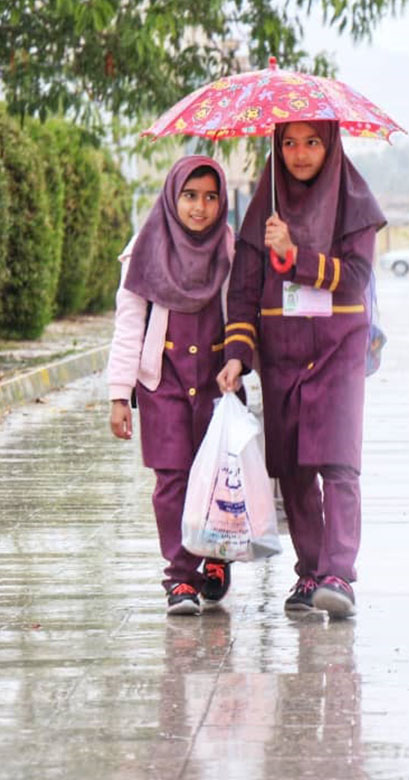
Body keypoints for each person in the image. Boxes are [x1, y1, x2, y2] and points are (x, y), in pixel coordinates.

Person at [217, 120, 385, 619]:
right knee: (290, 465)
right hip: (282, 349)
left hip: (338, 347)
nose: (300, 153)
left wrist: (296, 256)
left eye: (312, 142)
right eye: (289, 143)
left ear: (331, 143)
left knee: (337, 462)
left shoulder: (353, 200)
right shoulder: (263, 209)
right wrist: (237, 354)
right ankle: (310, 572)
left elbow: (355, 279)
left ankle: (339, 574)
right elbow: (244, 289)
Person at [107, 155, 235, 616]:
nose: (199, 207)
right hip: (163, 382)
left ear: (222, 202)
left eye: (210, 197)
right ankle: (180, 577)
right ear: (172, 196)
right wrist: (120, 394)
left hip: (218, 381)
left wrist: (240, 361)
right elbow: (128, 326)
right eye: (189, 196)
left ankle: (217, 557)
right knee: (172, 479)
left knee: (219, 474)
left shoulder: (229, 247)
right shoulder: (145, 248)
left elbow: (240, 312)